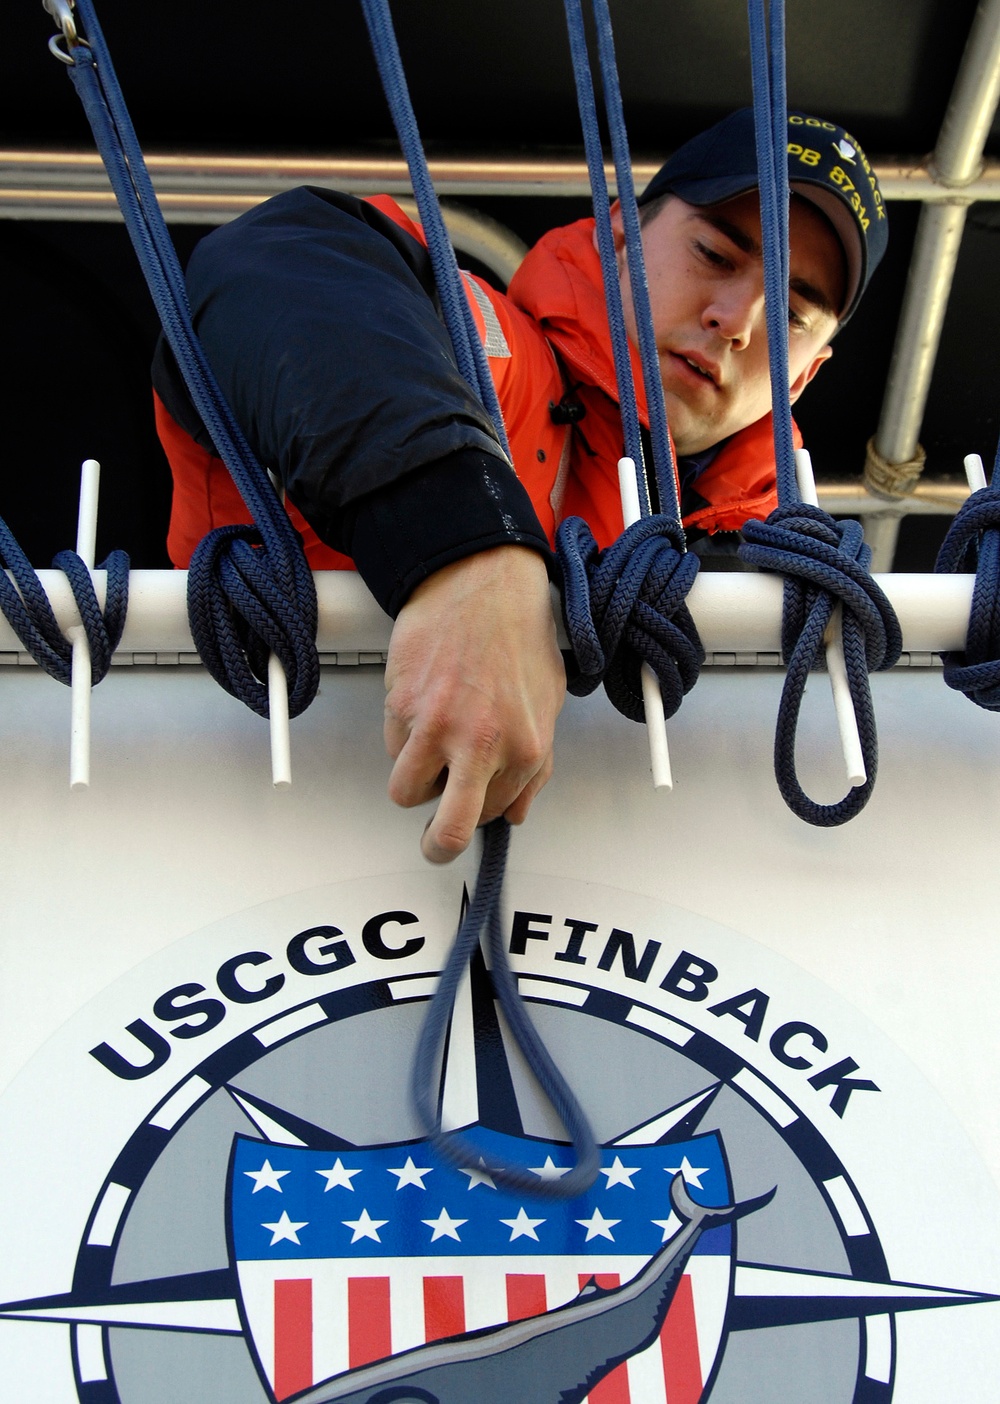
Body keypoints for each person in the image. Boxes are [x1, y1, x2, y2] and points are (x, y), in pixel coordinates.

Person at [152, 108, 888, 863]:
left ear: (807, 373)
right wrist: (466, 548)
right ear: (617, 235)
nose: (736, 321)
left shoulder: (796, 580)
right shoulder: (473, 356)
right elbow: (281, 259)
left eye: (793, 316)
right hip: (249, 853)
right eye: (714, 253)